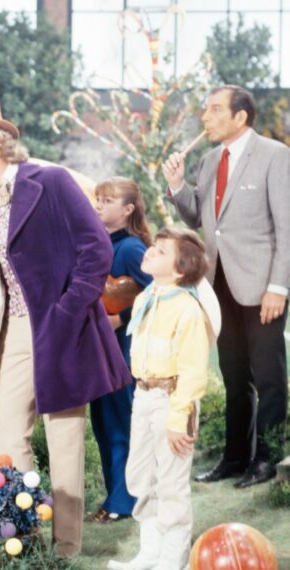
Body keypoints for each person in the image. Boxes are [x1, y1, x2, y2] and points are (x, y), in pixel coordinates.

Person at [0, 93, 130, 557]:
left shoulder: (49, 182)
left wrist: (67, 311)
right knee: (7, 433)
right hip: (10, 332)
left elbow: (95, 247)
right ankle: (22, 537)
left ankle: (65, 548)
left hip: (61, 327)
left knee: (65, 437)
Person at [164, 84, 289, 488]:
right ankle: (234, 458)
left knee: (269, 377)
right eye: (205, 109)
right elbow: (198, 218)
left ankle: (268, 460)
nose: (206, 117)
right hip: (218, 286)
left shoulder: (275, 156)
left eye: (215, 109)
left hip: (262, 287)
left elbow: (287, 229)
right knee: (235, 377)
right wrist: (178, 185)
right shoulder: (209, 159)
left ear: (241, 116)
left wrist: (278, 287)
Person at [108, 227, 218, 570]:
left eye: (160, 250)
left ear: (181, 269)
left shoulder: (187, 309)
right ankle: (150, 554)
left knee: (170, 481)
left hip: (173, 401)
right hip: (143, 396)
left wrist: (178, 420)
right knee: (141, 475)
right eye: (153, 247)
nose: (151, 251)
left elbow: (193, 371)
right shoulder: (145, 299)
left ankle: (173, 560)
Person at [87, 177, 153, 523]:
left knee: (120, 422)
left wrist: (122, 318)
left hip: (122, 350)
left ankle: (126, 501)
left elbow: (157, 293)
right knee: (103, 422)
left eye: (107, 200)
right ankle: (114, 495)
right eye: (97, 198)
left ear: (128, 210)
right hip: (99, 351)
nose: (98, 205)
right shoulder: (99, 243)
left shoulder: (130, 249)